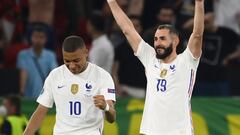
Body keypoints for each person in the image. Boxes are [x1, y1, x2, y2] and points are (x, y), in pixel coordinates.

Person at [107, 0, 204, 134]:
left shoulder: (187, 60)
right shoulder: (150, 58)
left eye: (162, 39)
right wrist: (111, 1)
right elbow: (127, 29)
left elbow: (197, 35)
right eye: (155, 39)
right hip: (151, 131)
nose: (157, 43)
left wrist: (199, 4)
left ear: (175, 41)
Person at [23, 35, 116, 135]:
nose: (72, 66)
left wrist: (105, 107)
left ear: (86, 53)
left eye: (76, 60)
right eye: (67, 61)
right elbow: (41, 110)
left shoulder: (102, 76)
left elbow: (112, 118)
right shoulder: (55, 75)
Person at [17, 24, 58, 99]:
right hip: (27, 96)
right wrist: (21, 91)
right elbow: (23, 72)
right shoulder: (23, 55)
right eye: (36, 36)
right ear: (31, 38)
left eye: (41, 37)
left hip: (45, 97)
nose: (38, 40)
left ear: (46, 39)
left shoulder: (50, 55)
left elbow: (53, 73)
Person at [112, 15, 146, 98]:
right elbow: (114, 71)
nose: (134, 28)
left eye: (137, 26)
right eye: (131, 25)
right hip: (124, 89)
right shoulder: (119, 48)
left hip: (142, 90)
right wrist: (118, 87)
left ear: (141, 28)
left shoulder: (148, 48)